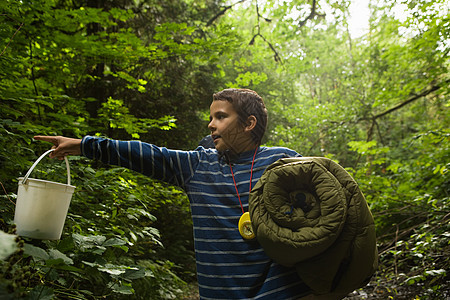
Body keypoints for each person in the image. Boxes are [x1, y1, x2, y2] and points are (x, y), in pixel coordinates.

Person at [34, 88, 311, 299]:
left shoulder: (283, 162)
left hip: (281, 291)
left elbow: (318, 218)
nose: (211, 125)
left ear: (249, 123)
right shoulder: (198, 166)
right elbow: (146, 154)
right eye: (211, 117)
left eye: (221, 117)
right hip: (220, 294)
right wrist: (85, 145)